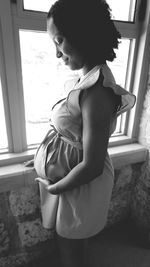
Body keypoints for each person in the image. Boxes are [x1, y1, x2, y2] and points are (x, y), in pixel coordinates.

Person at [34, 0, 136, 266]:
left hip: (79, 183)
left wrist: (56, 188)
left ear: (82, 34)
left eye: (60, 41)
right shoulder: (84, 79)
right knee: (68, 237)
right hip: (70, 180)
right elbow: (70, 133)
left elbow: (91, 165)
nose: (57, 53)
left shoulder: (97, 92)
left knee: (72, 242)